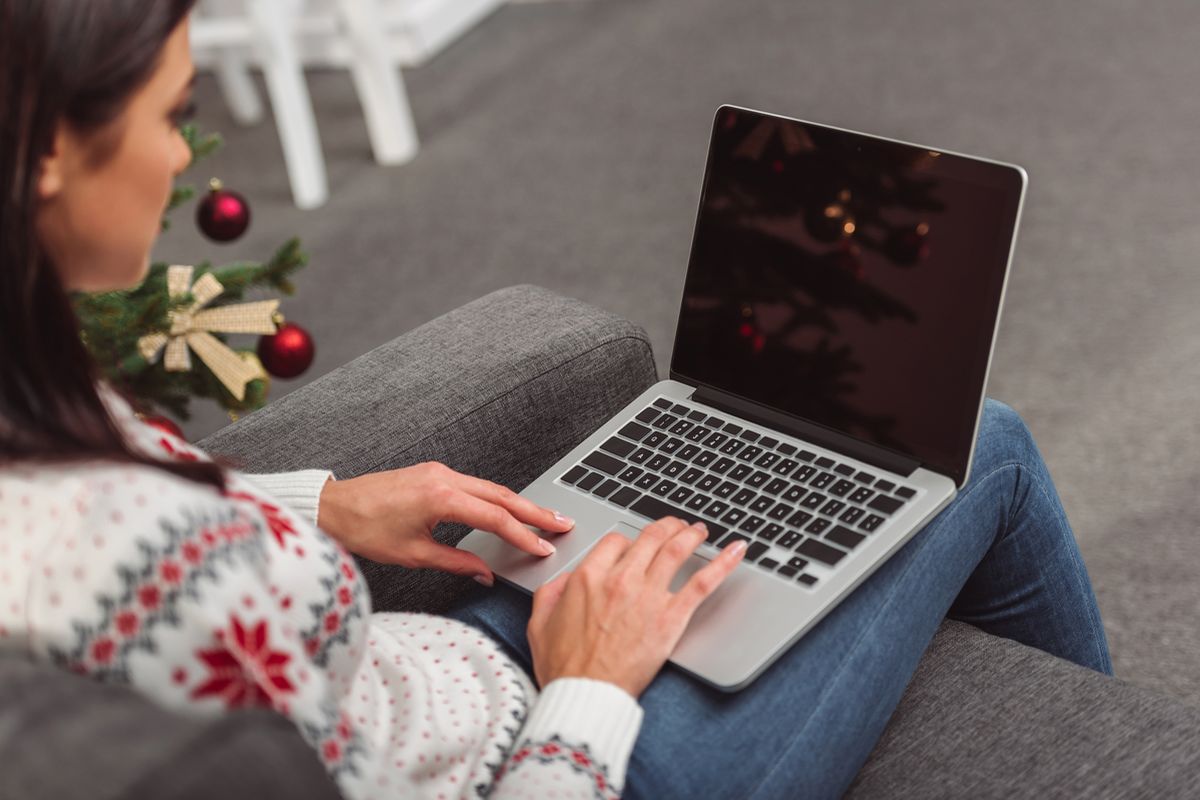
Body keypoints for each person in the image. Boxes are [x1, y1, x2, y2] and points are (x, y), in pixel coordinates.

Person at [0, 2, 1112, 798]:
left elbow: (125, 516)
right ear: (50, 147)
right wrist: (588, 686)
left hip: (442, 685)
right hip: (576, 752)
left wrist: (320, 507)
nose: (185, 152)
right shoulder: (120, 564)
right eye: (172, 112)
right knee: (989, 445)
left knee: (711, 491)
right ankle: (1115, 748)